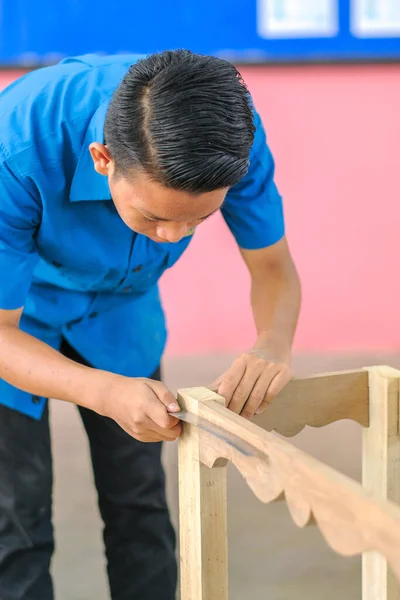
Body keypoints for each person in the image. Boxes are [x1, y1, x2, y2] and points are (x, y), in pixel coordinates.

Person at [0, 50, 301, 600]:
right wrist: (104, 392)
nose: (175, 236)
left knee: (140, 502)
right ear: (102, 158)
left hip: (122, 315)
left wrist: (274, 345)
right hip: (17, 320)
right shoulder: (16, 144)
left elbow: (274, 268)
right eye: (156, 217)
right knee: (15, 519)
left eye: (199, 218)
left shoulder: (231, 140)